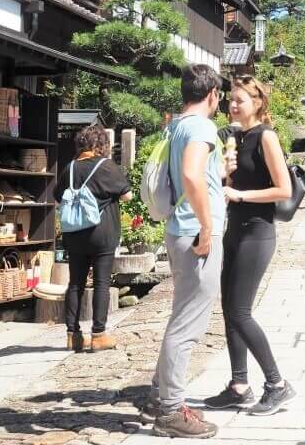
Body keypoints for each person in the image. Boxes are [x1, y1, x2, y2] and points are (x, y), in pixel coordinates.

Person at [144, 64, 236, 439]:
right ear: (213, 93)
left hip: (180, 229)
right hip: (196, 232)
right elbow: (191, 175)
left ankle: (160, 392)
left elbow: (199, 175)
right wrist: (209, 226)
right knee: (188, 325)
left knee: (181, 315)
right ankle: (170, 410)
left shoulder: (178, 123)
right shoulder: (201, 126)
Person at [207, 76, 297, 415]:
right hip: (235, 228)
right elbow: (229, 183)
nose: (232, 105)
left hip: (258, 233)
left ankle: (277, 384)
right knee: (229, 310)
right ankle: (238, 385)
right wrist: (225, 174)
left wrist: (240, 193)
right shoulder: (235, 137)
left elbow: (284, 189)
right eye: (230, 99)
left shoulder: (266, 137)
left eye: (239, 100)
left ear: (257, 103)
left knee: (241, 311)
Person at [55, 123, 132, 353]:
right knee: (101, 283)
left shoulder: (69, 168)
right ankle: (98, 334)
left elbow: (59, 196)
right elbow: (127, 195)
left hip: (75, 234)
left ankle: (73, 335)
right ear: (102, 145)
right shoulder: (106, 166)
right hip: (102, 234)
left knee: (75, 283)